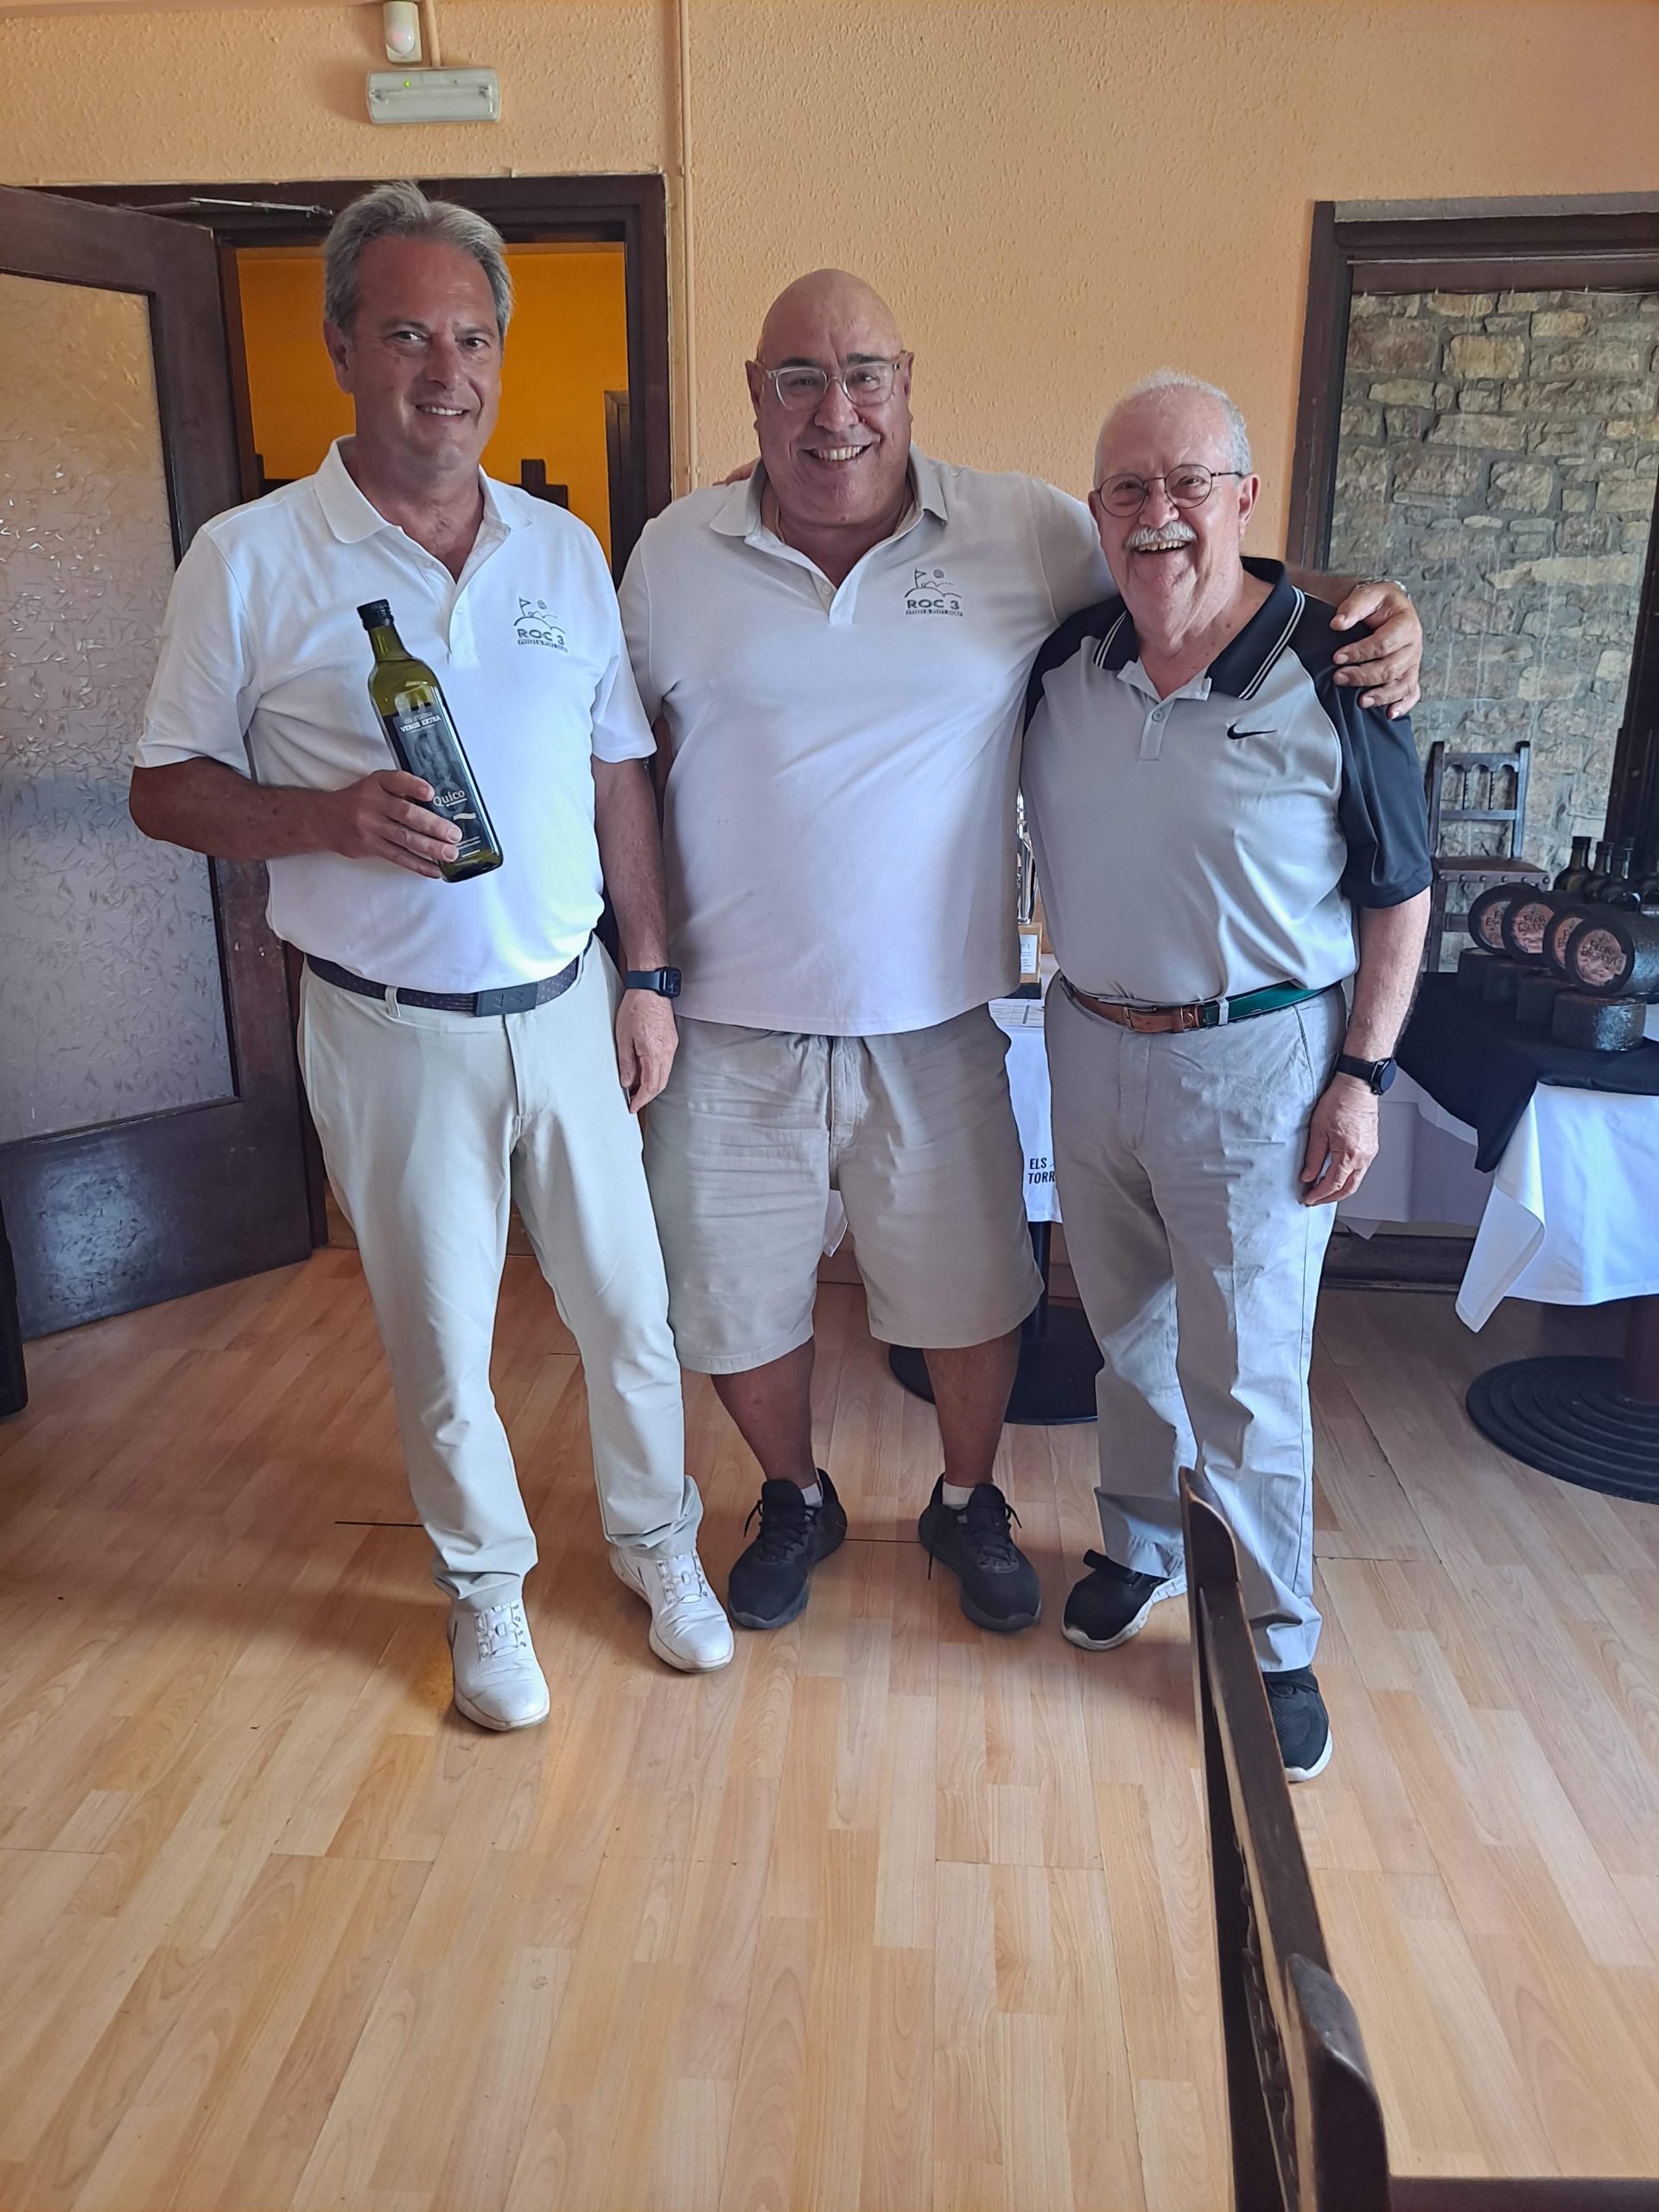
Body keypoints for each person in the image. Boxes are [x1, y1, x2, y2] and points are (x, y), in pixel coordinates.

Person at [619, 270, 1423, 1637]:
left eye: (864, 374)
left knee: (978, 1294)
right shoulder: (671, 555)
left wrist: (1370, 599)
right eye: (800, 379)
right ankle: (797, 1497)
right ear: (756, 395)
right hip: (733, 1021)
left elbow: (1195, 564)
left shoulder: (1022, 530)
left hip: (948, 1018)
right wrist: (639, 968)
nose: (835, 410)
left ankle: (981, 1505)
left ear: (908, 384)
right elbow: (617, 762)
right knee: (741, 1299)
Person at [130, 182, 732, 1731]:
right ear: (343, 346)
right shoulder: (250, 557)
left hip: (570, 1006)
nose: (444, 372)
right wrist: (322, 818)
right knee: (444, 1343)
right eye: (408, 335)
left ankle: (658, 1544)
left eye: (471, 339)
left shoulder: (564, 551)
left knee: (631, 1314)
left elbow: (616, 773)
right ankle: (485, 1586)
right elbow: (163, 787)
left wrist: (648, 974)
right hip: (388, 1027)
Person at [1022, 369, 1432, 1780]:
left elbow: (1401, 893)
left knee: (1247, 1366)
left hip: (1261, 1062)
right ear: (1096, 512)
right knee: (1127, 1332)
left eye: (1191, 483)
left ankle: (1273, 1638)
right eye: (1129, 489)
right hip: (1090, 1041)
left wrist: (1364, 1075)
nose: (1160, 514)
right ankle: (1139, 1546)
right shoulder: (1064, 662)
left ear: (1245, 500)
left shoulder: (1339, 667)